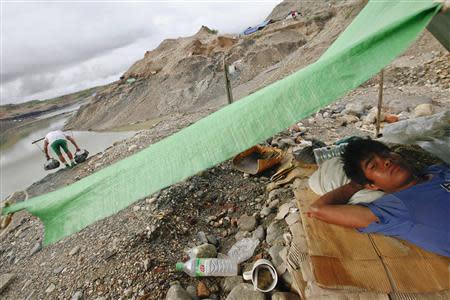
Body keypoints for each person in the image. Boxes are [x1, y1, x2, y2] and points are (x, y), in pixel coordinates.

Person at [307, 138, 449, 257]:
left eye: (386, 154)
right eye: (374, 165)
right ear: (371, 186)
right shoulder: (394, 208)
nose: (387, 161)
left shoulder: (438, 170)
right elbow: (317, 209)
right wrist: (356, 186)